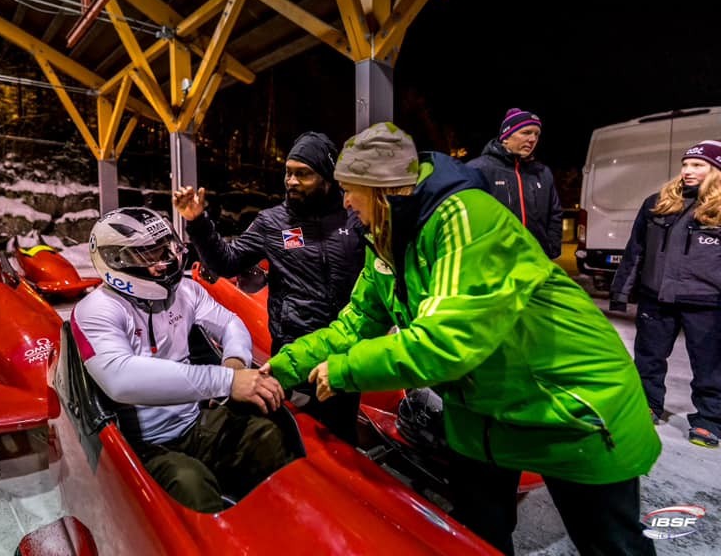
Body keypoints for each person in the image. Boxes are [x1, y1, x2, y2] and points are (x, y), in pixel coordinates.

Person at [263, 122, 661, 555]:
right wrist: (282, 368)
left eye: (350, 190)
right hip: (485, 417)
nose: (345, 203)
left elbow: (446, 342)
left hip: (570, 406)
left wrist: (344, 371)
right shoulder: (384, 241)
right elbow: (354, 324)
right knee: (475, 537)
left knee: (611, 546)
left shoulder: (465, 219)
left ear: (383, 190)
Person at [72, 207, 290, 513]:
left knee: (268, 438)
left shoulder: (184, 291)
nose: (165, 261)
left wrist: (235, 363)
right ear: (116, 261)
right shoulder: (97, 309)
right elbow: (121, 380)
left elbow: (230, 323)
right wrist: (225, 381)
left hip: (194, 423)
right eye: (149, 255)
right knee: (190, 485)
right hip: (144, 447)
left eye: (165, 249)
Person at [173, 131, 364, 442]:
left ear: (328, 177)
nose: (291, 181)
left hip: (345, 350)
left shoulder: (354, 219)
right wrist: (196, 221)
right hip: (292, 352)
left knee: (341, 437)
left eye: (304, 174)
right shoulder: (272, 223)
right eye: (288, 172)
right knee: (296, 436)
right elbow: (226, 261)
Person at [610, 139, 721, 448]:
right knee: (648, 357)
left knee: (709, 365)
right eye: (686, 164)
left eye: (697, 165)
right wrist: (621, 292)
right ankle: (647, 404)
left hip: (706, 301)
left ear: (715, 170)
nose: (687, 170)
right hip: (656, 297)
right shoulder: (657, 202)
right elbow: (636, 250)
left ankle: (709, 419)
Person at [467, 107, 563, 258]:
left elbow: (555, 214)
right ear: (506, 136)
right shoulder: (478, 169)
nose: (532, 139)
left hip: (536, 261)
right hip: (495, 262)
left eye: (536, 134)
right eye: (525, 133)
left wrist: (551, 248)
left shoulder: (543, 173)